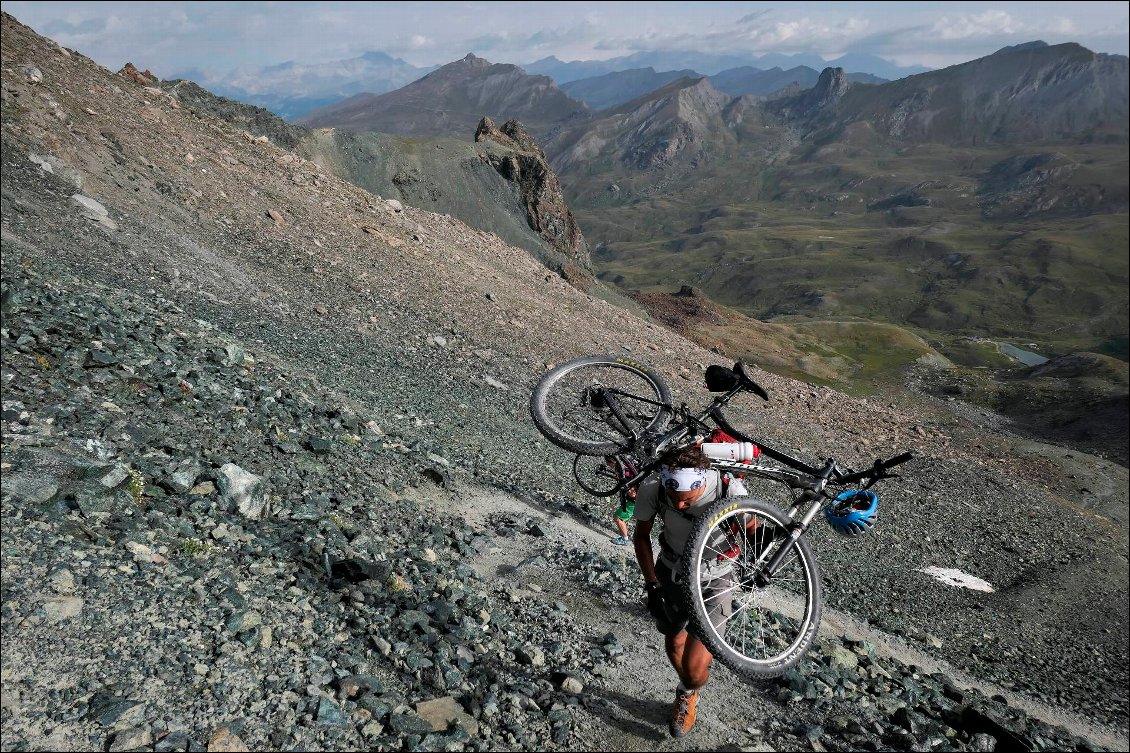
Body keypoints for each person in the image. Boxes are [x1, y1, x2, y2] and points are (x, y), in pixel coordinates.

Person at [631, 443, 750, 738]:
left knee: (695, 670)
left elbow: (755, 531)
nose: (680, 505)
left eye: (687, 500)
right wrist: (651, 583)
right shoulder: (654, 490)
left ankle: (688, 691)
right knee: (674, 644)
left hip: (716, 579)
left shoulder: (728, 491)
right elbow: (641, 536)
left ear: (702, 482)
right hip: (670, 573)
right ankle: (686, 691)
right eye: (674, 500)